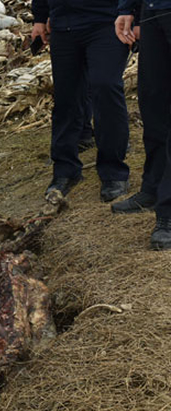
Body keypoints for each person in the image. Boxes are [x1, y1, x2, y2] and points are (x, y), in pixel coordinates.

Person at [31, 1, 132, 202]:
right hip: (63, 25)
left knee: (106, 87)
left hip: (107, 22)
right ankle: (65, 171)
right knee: (66, 97)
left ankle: (113, 171)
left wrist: (131, 13)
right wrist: (40, 18)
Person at [114, 0, 171, 250]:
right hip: (154, 9)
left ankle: (168, 212)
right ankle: (154, 186)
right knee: (153, 103)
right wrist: (128, 8)